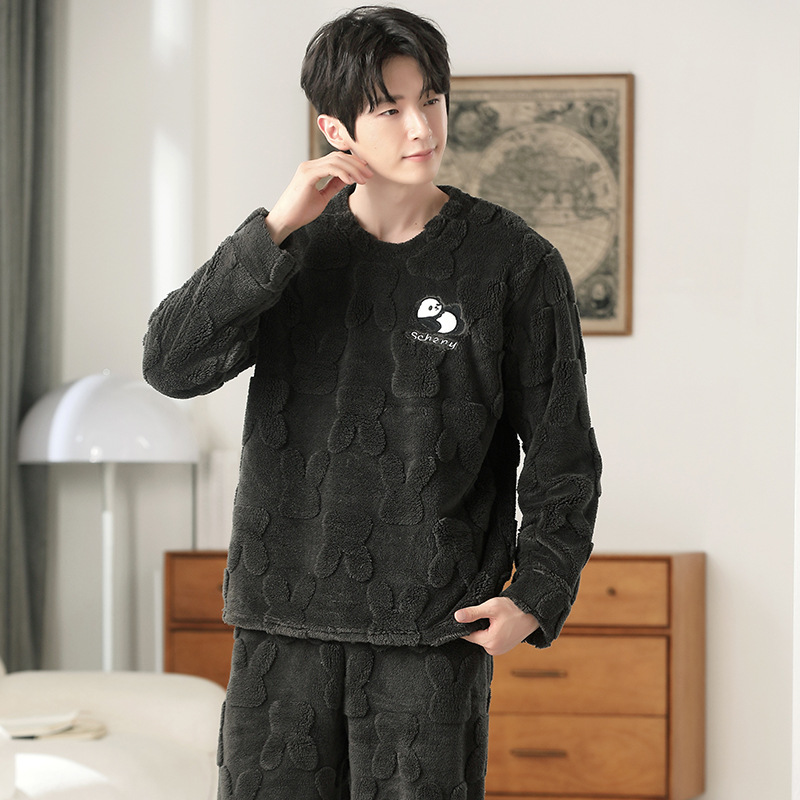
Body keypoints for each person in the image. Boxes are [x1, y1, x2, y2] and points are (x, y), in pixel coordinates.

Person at [142, 6, 601, 799]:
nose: (421, 126)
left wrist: (538, 592)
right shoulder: (291, 251)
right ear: (335, 129)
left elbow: (563, 454)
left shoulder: (515, 262)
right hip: (280, 625)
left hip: (431, 631)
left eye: (432, 99)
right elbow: (171, 365)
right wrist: (276, 225)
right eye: (389, 109)